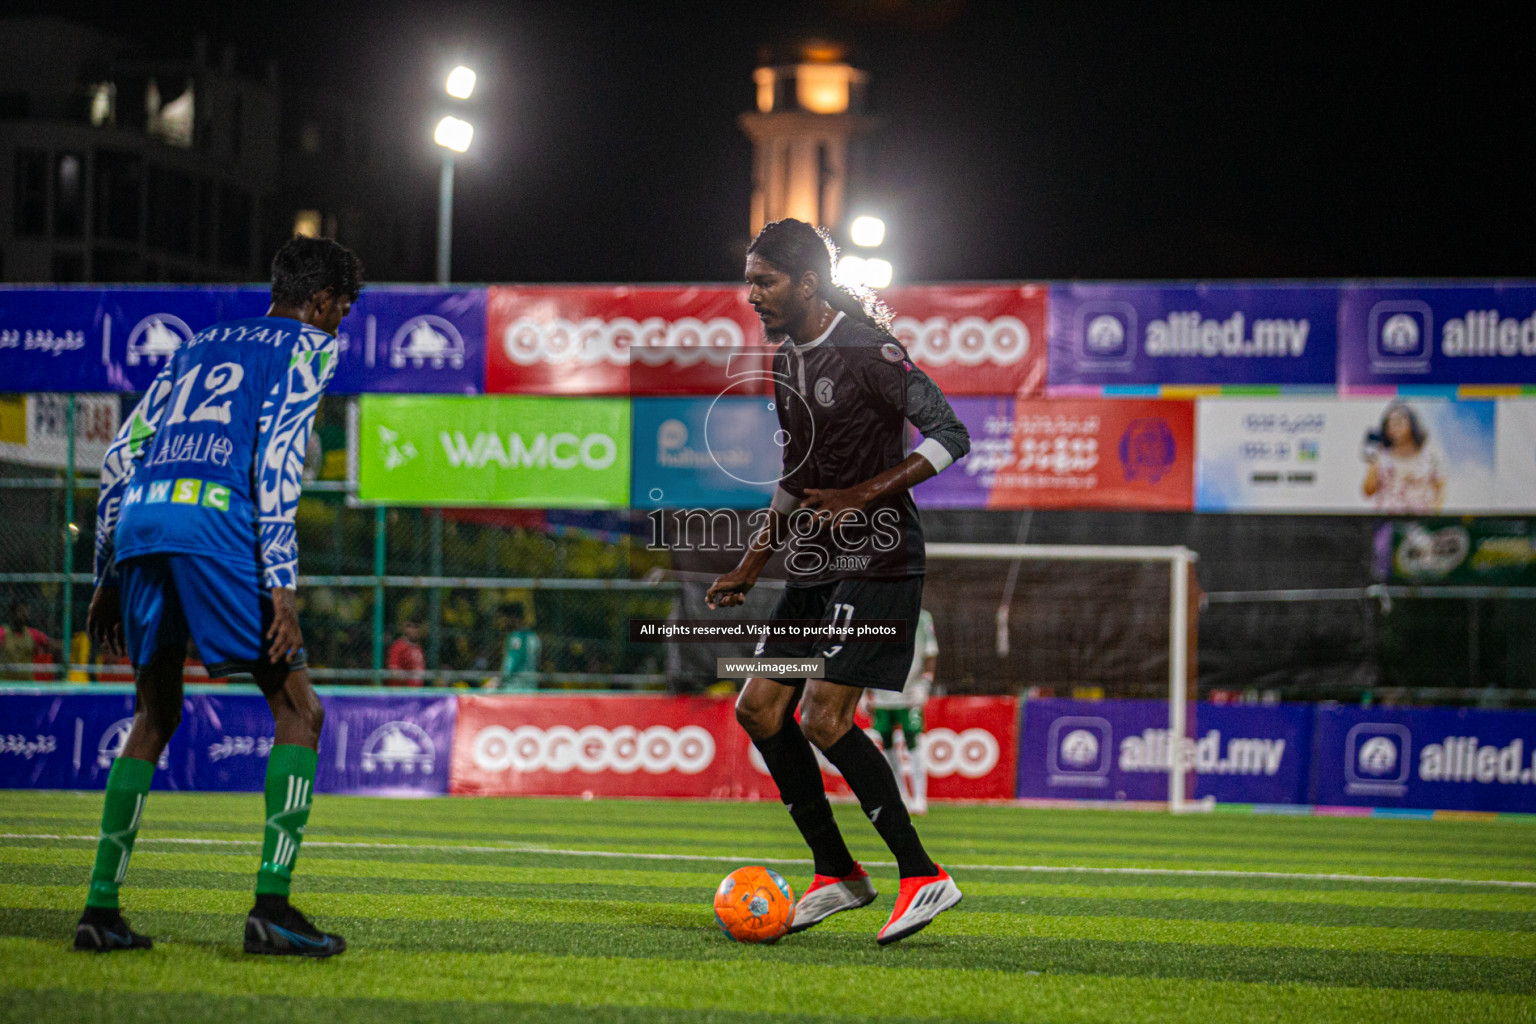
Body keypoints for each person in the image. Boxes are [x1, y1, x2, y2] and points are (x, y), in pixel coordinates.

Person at [78, 236, 362, 957]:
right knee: (300, 708)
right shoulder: (307, 349)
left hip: (142, 516)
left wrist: (105, 572)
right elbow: (276, 462)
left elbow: (119, 455)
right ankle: (272, 908)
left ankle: (100, 910)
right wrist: (283, 588)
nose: (340, 328)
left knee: (155, 711)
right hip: (214, 517)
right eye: (343, 312)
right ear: (322, 302)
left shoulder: (200, 344)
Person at [706, 219, 971, 945]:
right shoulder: (785, 361)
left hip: (881, 559)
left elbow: (951, 436)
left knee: (825, 716)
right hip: (819, 565)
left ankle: (922, 875)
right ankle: (838, 873)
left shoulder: (871, 351)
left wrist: (863, 495)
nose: (752, 293)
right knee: (760, 709)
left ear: (808, 284)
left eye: (766, 280)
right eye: (750, 279)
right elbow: (796, 476)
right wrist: (755, 561)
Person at [865, 606, 937, 815]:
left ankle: (920, 797)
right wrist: (863, 693)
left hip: (909, 692)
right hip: (881, 695)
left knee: (914, 742)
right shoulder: (874, 617)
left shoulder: (922, 617)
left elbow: (931, 653)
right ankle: (901, 796)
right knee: (887, 745)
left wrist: (925, 684)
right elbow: (865, 658)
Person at [1362, 402, 1445, 513]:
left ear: (1412, 424)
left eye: (1399, 422)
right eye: (1390, 424)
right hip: (1387, 518)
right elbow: (1368, 492)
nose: (1394, 428)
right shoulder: (1381, 455)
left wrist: (1434, 513)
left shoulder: (1430, 454)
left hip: (1419, 518)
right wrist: (1372, 466)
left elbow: (1440, 487)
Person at [0, 600, 61, 682]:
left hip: (26, 682)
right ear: (12, 614)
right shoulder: (3, 632)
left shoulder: (32, 634)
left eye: (26, 612)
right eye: (20, 611)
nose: (24, 615)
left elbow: (52, 644)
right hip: (6, 683)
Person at [496, 602, 541, 691]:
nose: (500, 622)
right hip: (530, 687)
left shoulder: (515, 638)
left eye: (502, 618)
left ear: (512, 618)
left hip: (514, 689)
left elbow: (509, 666)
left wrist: (497, 682)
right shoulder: (534, 637)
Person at [386, 618, 427, 686]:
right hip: (401, 692)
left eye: (416, 627)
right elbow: (394, 671)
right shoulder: (398, 646)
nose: (412, 630)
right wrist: (408, 678)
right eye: (409, 626)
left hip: (416, 691)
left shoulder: (419, 648)